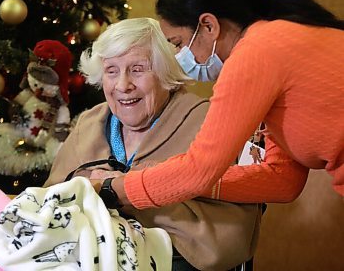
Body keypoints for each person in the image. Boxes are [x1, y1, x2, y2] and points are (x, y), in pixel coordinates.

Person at [89, 0, 344, 210]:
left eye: (178, 43)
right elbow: (284, 180)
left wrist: (111, 189)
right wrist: (164, 177)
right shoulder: (274, 39)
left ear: (208, 25)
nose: (179, 57)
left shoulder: (254, 55)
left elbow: (198, 170)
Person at [45, 18, 262, 270]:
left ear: (164, 72)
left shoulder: (209, 124)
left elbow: (230, 240)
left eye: (138, 69)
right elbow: (49, 208)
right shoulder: (90, 122)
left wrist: (129, 195)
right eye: (111, 71)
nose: (123, 85)